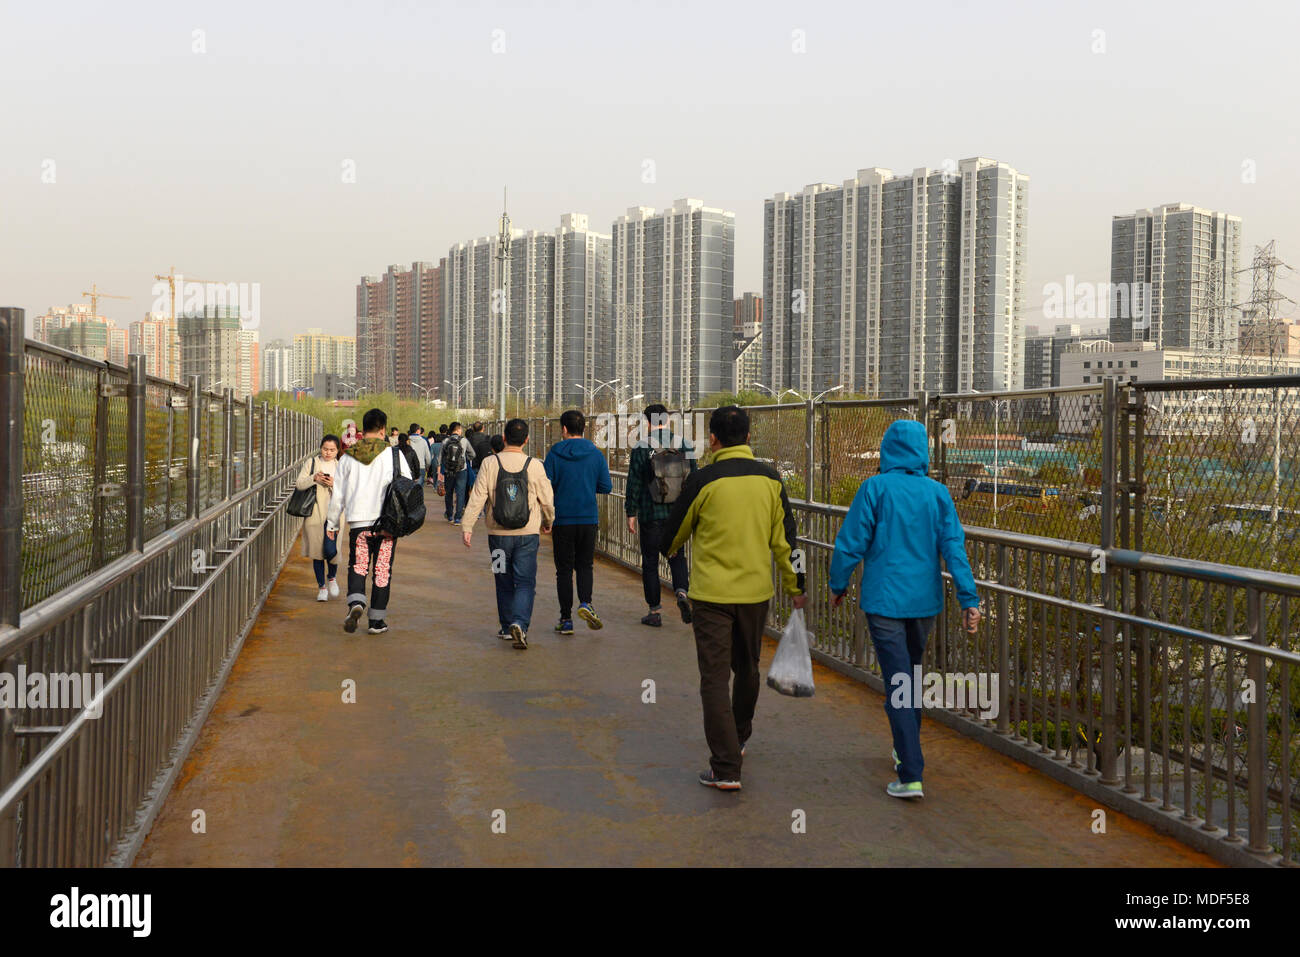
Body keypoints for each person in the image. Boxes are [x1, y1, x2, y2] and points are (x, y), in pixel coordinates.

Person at [828, 418, 982, 800]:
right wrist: (969, 599)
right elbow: (954, 549)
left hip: (884, 602)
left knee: (898, 682)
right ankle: (904, 749)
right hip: (923, 604)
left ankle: (911, 773)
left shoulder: (874, 489)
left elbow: (850, 543)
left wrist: (838, 584)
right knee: (909, 679)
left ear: (887, 449)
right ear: (923, 452)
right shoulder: (938, 494)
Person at [662, 405, 806, 791]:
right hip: (755, 595)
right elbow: (788, 542)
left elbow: (674, 532)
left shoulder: (703, 480)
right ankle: (739, 738)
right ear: (748, 436)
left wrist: (670, 547)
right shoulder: (771, 480)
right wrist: (799, 586)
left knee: (713, 678)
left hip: (711, 597)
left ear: (712, 439)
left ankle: (725, 766)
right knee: (748, 669)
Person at [461, 418, 555, 650]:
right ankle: (520, 624)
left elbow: (477, 497)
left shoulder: (490, 463)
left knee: (502, 580)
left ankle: (505, 627)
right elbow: (547, 499)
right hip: (527, 536)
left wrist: (467, 526)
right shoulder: (535, 465)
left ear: (503, 438)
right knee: (524, 582)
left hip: (498, 536)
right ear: (526, 440)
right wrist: (549, 520)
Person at [325, 407, 418, 635]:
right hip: (387, 524)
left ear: (362, 428)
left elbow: (338, 494)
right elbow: (407, 486)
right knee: (382, 569)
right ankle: (376, 621)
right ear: (383, 429)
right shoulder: (394, 454)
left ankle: (356, 603)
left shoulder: (347, 457)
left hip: (359, 524)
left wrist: (332, 523)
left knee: (358, 566)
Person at [625, 403, 696, 627]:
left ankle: (655, 611)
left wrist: (631, 512)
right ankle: (682, 593)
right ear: (667, 419)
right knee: (677, 556)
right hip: (677, 515)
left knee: (650, 562)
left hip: (650, 513)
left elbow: (634, 482)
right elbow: (694, 479)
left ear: (647, 422)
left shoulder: (642, 447)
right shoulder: (685, 444)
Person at [543, 409, 612, 635]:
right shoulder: (595, 454)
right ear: (584, 429)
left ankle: (566, 619)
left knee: (563, 570)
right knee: (585, 565)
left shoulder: (554, 453)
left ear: (563, 429)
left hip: (562, 519)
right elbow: (606, 487)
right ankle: (586, 603)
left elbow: (546, 486)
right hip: (588, 518)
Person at [294, 434, 346, 601]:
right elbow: (299, 484)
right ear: (320, 448)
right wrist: (314, 478)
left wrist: (334, 484)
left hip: (335, 515)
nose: (328, 453)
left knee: (332, 550)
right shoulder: (312, 463)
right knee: (317, 552)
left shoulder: (342, 466)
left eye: (332, 450)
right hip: (315, 514)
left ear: (338, 450)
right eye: (325, 449)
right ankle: (321, 587)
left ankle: (332, 577)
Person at [438, 421, 476, 525]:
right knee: (460, 494)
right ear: (458, 430)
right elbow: (473, 454)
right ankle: (458, 518)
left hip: (448, 471)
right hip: (461, 470)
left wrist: (440, 472)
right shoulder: (464, 441)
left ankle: (450, 515)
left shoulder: (445, 441)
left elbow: (440, 458)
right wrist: (464, 458)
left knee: (449, 493)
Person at [466, 422, 493, 492]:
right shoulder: (488, 439)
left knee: (474, 488)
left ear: (473, 429)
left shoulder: (469, 439)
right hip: (486, 465)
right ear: (483, 428)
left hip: (473, 466)